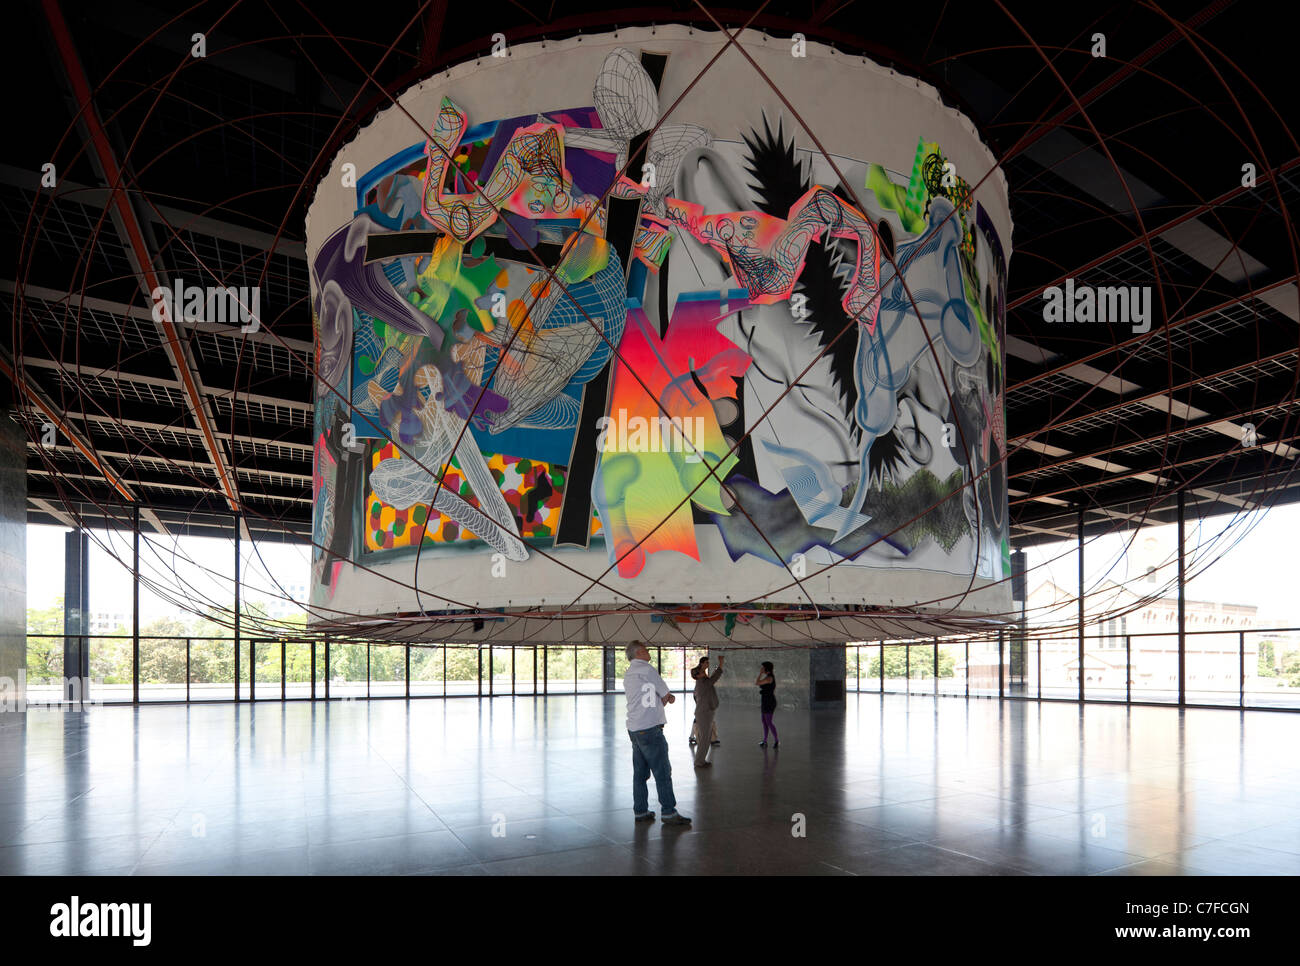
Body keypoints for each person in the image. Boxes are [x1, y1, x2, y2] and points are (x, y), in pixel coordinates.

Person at [623, 642, 691, 825]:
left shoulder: (629, 673)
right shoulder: (647, 669)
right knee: (662, 771)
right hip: (651, 728)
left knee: (640, 774)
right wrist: (668, 698)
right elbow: (666, 694)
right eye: (645, 650)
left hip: (635, 729)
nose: (648, 652)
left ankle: (640, 811)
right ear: (639, 652)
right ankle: (669, 812)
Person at [690, 654, 724, 768]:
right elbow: (715, 677)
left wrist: (703, 665)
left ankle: (701, 761)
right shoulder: (703, 683)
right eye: (701, 672)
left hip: (706, 712)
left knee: (706, 738)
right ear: (698, 676)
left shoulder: (703, 681)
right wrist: (721, 663)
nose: (704, 672)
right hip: (704, 713)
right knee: (704, 738)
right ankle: (699, 762)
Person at [757, 661, 779, 748]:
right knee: (764, 721)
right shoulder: (767, 677)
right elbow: (758, 683)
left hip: (769, 702)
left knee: (769, 722)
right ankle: (765, 741)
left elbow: (757, 682)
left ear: (766, 668)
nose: (761, 668)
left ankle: (777, 740)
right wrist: (761, 673)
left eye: (762, 667)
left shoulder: (769, 678)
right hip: (765, 701)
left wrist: (760, 673)